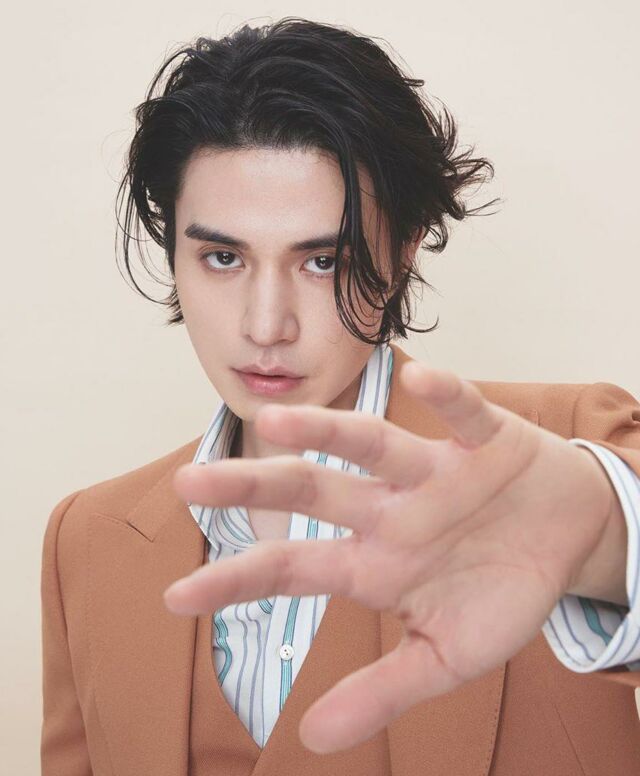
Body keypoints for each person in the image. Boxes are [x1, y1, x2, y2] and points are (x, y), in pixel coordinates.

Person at [41, 17, 640, 776]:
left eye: (322, 261)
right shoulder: (86, 540)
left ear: (405, 249)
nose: (266, 325)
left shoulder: (566, 447)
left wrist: (603, 537)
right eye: (222, 257)